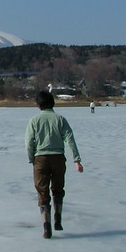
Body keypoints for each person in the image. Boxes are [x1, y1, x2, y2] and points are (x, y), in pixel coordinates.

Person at [25, 91, 84, 239]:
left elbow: (28, 143)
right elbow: (70, 139)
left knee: (42, 192)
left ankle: (46, 227)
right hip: (58, 157)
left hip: (41, 158)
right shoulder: (60, 119)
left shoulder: (34, 120)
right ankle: (58, 218)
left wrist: (32, 159)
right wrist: (76, 159)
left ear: (38, 105)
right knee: (58, 189)